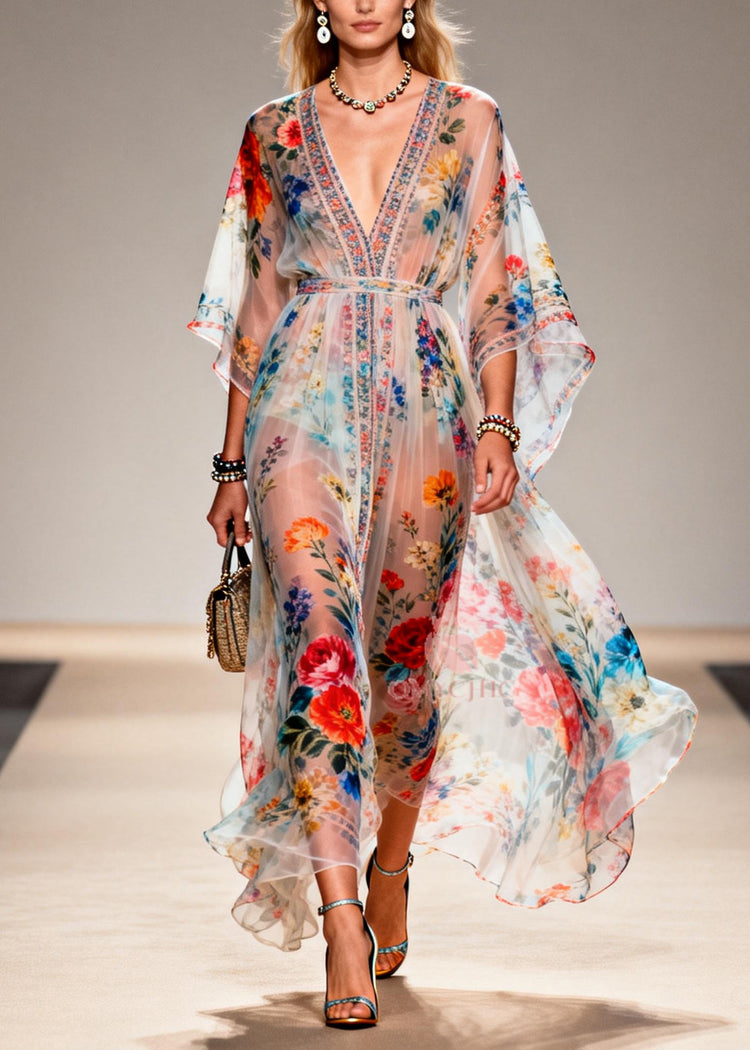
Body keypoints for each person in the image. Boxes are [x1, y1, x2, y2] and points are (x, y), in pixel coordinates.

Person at [188, 0, 697, 1029]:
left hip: (428, 413)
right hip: (300, 410)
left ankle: (391, 863)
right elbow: (255, 306)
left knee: (404, 667)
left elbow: (495, 282)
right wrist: (231, 460)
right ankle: (341, 924)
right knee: (321, 653)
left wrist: (500, 425)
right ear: (316, 5)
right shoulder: (271, 131)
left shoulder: (471, 118)